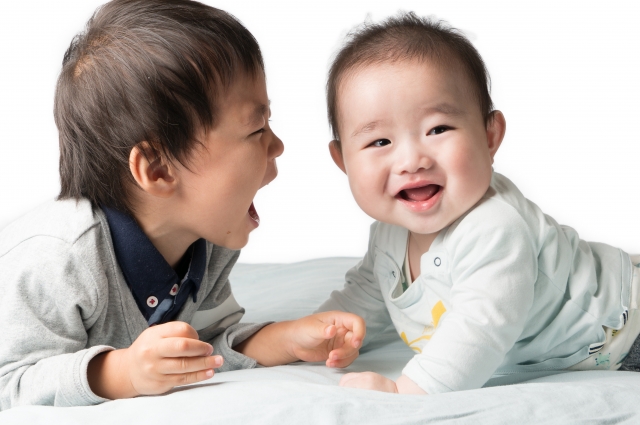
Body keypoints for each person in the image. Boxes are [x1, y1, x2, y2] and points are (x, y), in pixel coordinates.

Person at [0, 0, 364, 410]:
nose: (277, 145)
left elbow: (205, 342)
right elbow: (10, 381)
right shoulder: (57, 262)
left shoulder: (209, 244)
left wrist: (287, 339)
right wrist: (122, 372)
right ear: (158, 169)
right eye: (256, 129)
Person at [317, 12, 640, 395]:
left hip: (623, 326)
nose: (411, 161)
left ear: (489, 137)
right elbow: (367, 295)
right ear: (343, 161)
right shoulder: (388, 234)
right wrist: (322, 331)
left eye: (437, 129)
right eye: (380, 142)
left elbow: (480, 328)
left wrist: (407, 393)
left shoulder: (494, 228)